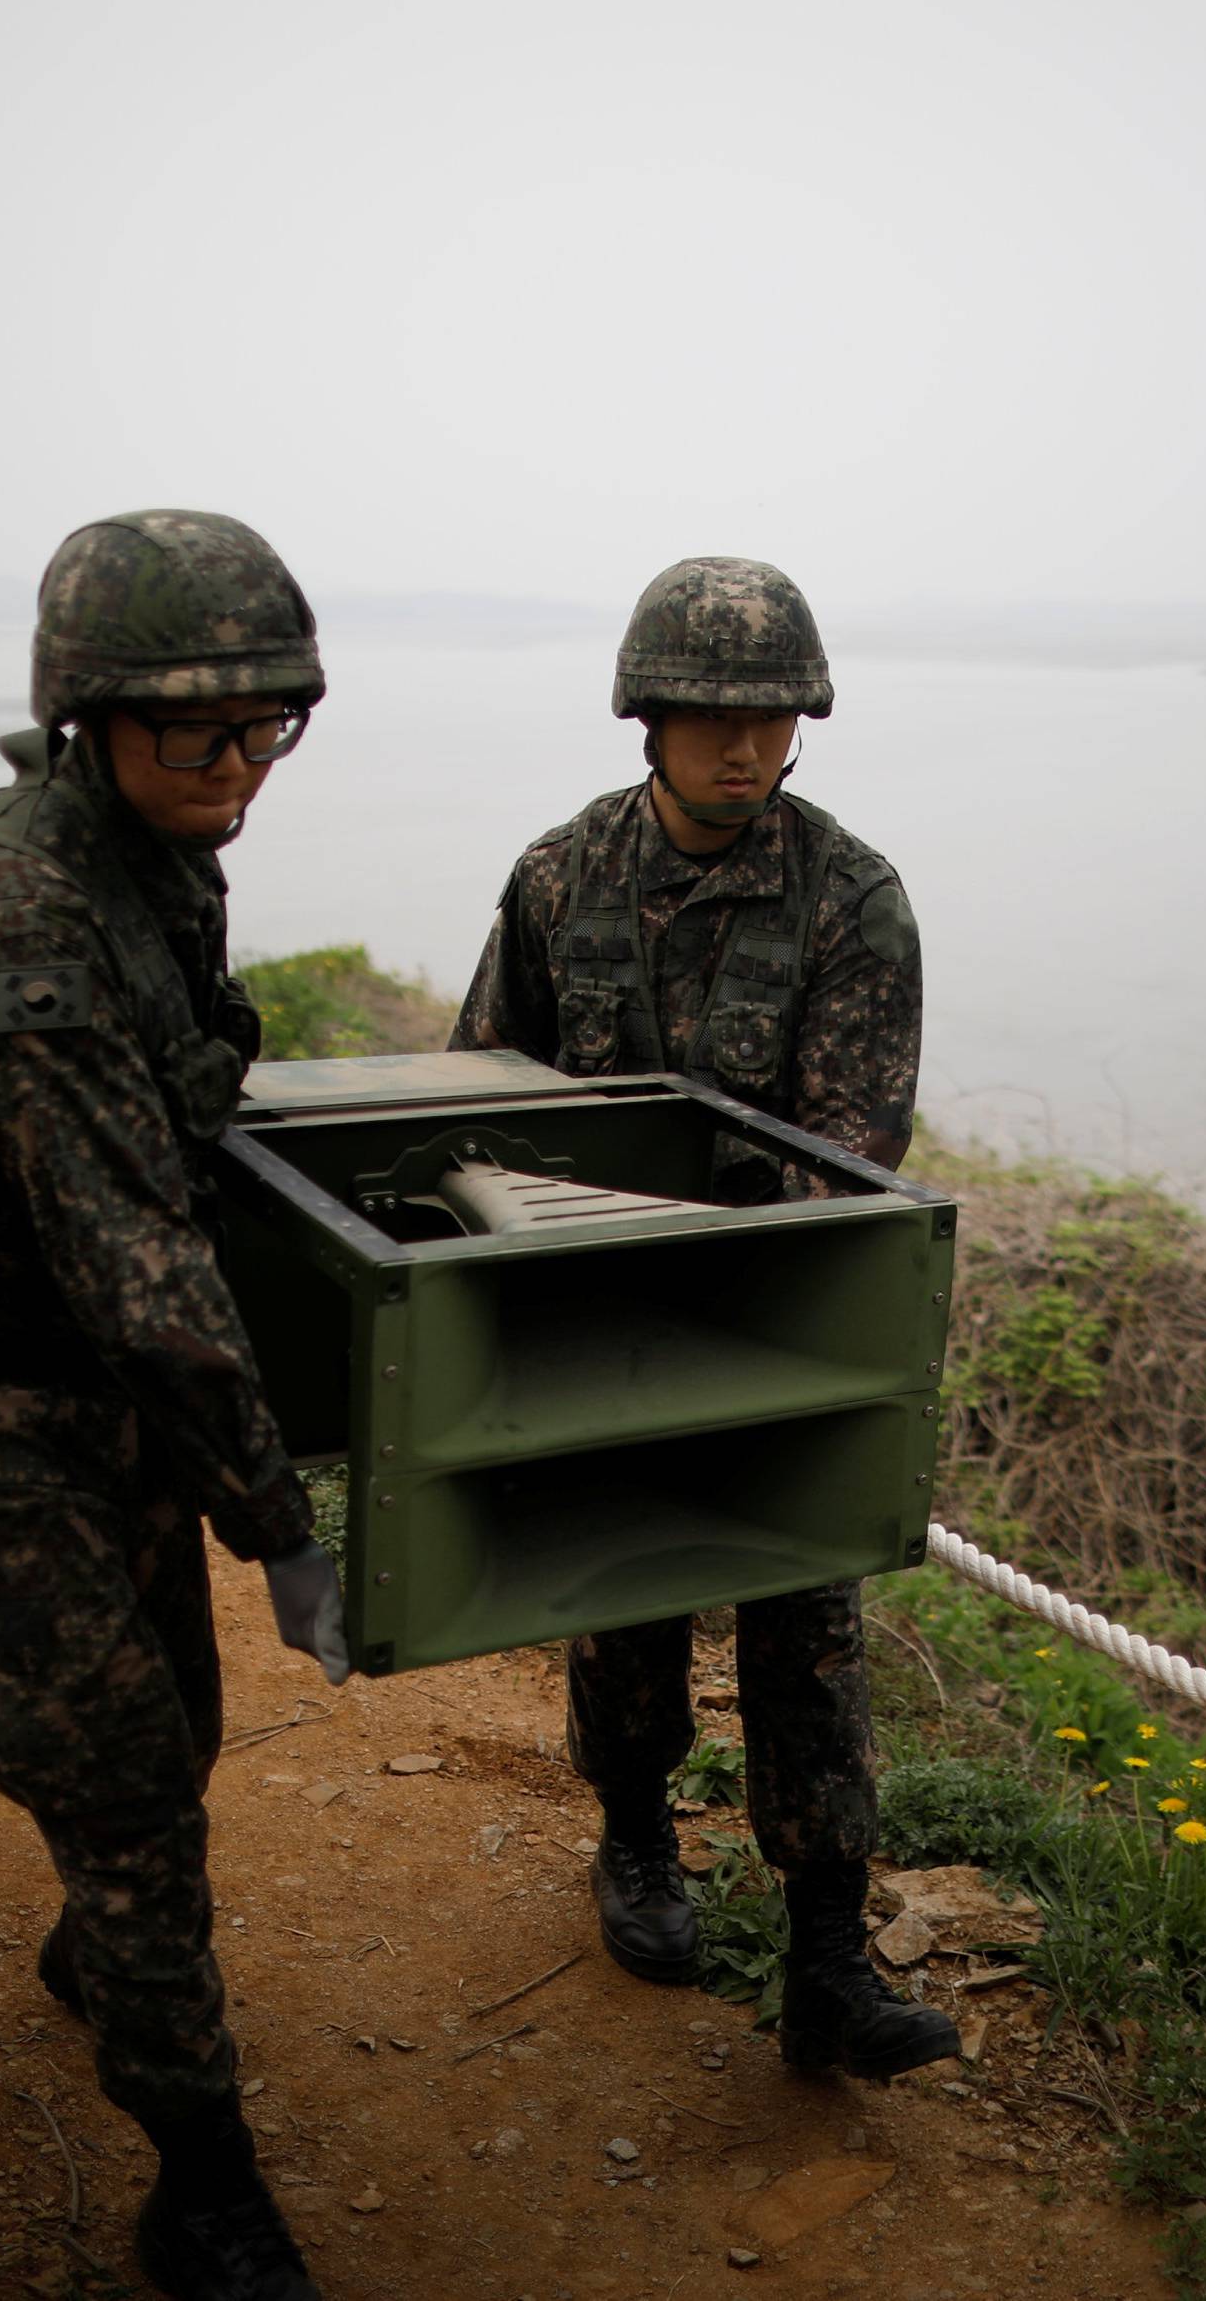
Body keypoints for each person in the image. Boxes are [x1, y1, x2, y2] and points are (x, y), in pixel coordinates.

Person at [0, 510, 347, 2301]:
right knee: (124, 1785)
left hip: (81, 1386)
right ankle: (203, 2181)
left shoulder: (156, 846)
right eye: (204, 728)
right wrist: (280, 1518)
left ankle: (98, 1941)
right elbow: (138, 1270)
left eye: (273, 723)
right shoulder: (18, 917)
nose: (244, 764)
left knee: (166, 1728)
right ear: (88, 715)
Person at [451, 555, 960, 2081]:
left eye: (773, 715)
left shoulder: (851, 898)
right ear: (650, 714)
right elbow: (485, 1082)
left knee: (808, 1638)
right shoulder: (560, 877)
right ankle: (634, 1842)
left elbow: (853, 1142)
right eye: (711, 713)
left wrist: (737, 1314)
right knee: (626, 1605)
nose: (745, 745)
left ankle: (823, 1959)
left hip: (776, 1339)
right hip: (594, 1320)